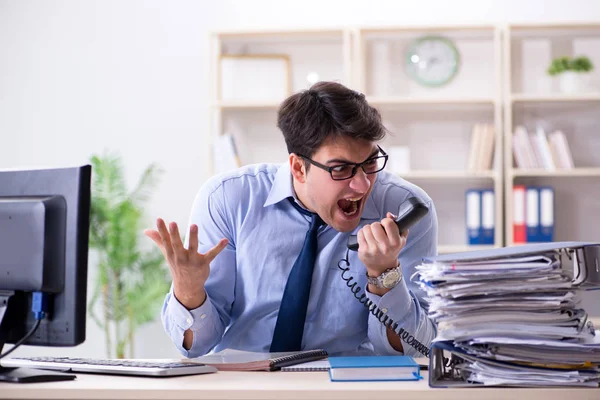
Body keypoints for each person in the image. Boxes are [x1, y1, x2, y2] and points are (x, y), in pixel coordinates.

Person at [145, 81, 438, 358]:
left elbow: (415, 348)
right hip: (246, 383)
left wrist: (384, 276)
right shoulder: (227, 199)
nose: (363, 185)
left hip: (348, 385)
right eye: (341, 169)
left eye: (370, 162)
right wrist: (188, 289)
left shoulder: (404, 208)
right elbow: (195, 347)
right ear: (298, 168)